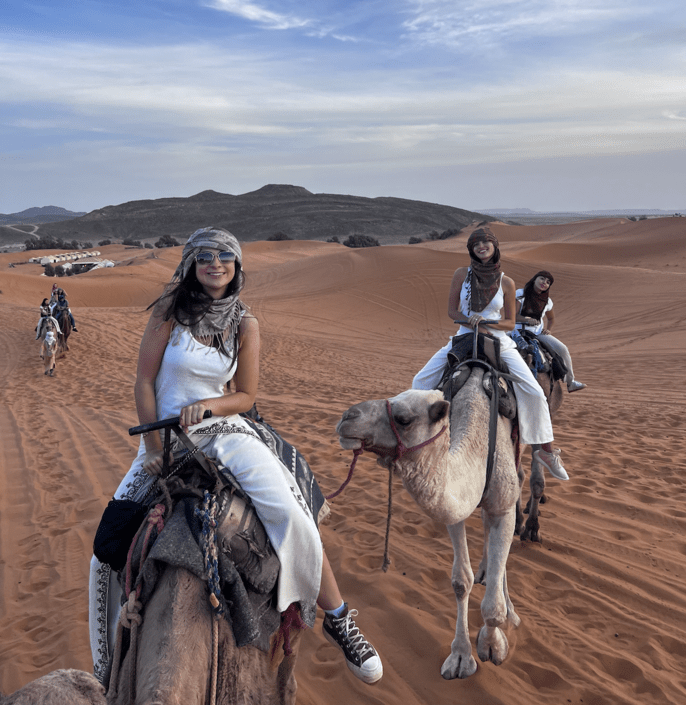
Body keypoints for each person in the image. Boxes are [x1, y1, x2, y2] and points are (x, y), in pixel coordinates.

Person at [89, 227, 382, 685]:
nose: (215, 262)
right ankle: (108, 670)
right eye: (204, 255)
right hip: (162, 440)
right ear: (190, 263)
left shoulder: (245, 323)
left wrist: (209, 406)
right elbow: (144, 381)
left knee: (291, 510)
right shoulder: (170, 311)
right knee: (105, 552)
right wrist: (151, 449)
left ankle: (340, 619)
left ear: (237, 264)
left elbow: (245, 395)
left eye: (225, 255)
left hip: (223, 430)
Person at [412, 227, 569, 481]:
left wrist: (486, 325)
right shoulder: (461, 274)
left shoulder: (506, 282)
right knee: (420, 381)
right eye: (476, 243)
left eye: (486, 242)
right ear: (470, 249)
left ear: (495, 246)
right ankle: (420, 440)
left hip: (498, 341)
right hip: (464, 336)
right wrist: (469, 320)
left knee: (535, 391)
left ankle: (546, 451)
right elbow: (452, 311)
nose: (481, 246)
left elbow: (509, 323)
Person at [513, 271, 586, 393]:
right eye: (542, 279)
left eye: (548, 282)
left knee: (562, 349)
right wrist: (526, 319)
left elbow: (551, 319)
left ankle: (570, 382)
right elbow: (512, 315)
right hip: (516, 332)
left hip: (537, 333)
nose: (544, 283)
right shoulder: (520, 294)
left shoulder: (547, 301)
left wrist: (548, 330)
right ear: (535, 279)